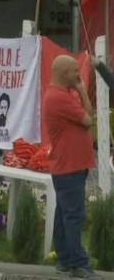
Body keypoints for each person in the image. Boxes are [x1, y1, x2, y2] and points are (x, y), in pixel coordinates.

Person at [42, 55, 101, 280]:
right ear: (64, 73)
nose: (79, 74)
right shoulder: (59, 98)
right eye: (75, 71)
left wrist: (81, 91)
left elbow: (89, 113)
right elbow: (88, 120)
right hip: (69, 165)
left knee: (64, 213)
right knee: (74, 215)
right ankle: (79, 264)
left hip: (71, 165)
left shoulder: (66, 95)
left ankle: (64, 260)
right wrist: (82, 92)